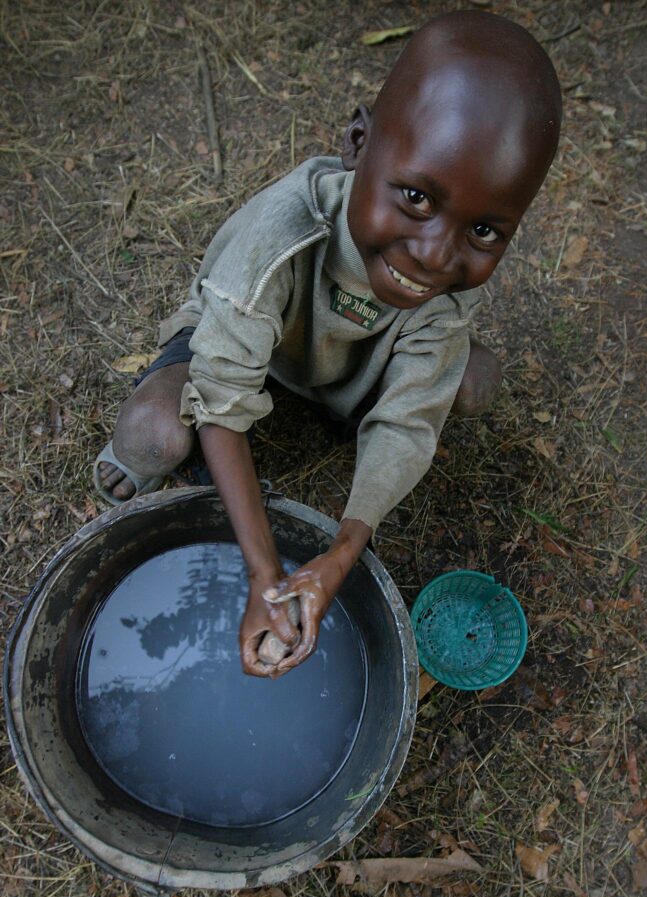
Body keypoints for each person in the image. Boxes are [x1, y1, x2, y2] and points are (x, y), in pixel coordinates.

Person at [94, 11, 562, 678]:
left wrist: (339, 555)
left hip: (350, 370)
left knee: (463, 380)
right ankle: (140, 448)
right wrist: (265, 574)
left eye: (486, 230)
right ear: (356, 141)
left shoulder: (447, 275)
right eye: (414, 197)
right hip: (253, 346)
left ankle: (345, 397)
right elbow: (223, 397)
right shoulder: (280, 235)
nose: (434, 255)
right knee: (157, 435)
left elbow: (405, 427)